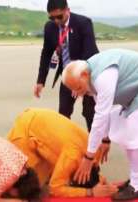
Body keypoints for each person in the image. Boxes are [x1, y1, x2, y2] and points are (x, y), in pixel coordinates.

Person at [61, 48, 138, 200]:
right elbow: (101, 108)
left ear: (84, 75)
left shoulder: (103, 76)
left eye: (78, 88)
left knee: (134, 135)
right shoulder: (88, 73)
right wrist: (105, 139)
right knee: (126, 134)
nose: (78, 94)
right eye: (74, 91)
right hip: (134, 93)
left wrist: (89, 157)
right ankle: (137, 179)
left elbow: (101, 115)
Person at [7, 108, 118, 198]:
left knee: (42, 179)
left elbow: (90, 173)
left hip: (41, 120)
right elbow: (54, 188)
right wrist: (90, 192)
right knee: (24, 185)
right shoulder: (71, 158)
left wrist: (102, 181)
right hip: (25, 129)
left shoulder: (93, 154)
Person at [33, 0, 97, 131]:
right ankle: (64, 143)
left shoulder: (83, 23)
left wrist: (79, 78)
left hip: (88, 73)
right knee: (63, 112)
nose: (56, 21)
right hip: (67, 75)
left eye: (59, 17)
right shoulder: (50, 27)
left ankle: (95, 147)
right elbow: (46, 54)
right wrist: (40, 81)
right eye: (52, 17)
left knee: (90, 113)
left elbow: (90, 52)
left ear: (68, 10)